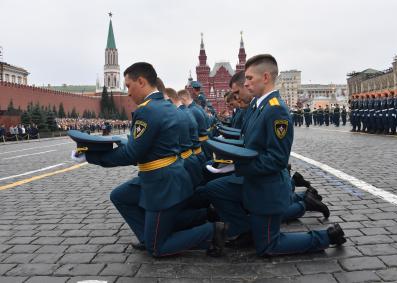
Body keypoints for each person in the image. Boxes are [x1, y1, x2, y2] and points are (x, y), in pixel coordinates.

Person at [71, 62, 226, 257]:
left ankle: (211, 232)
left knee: (158, 248)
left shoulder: (148, 110)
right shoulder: (166, 106)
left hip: (161, 183)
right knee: (120, 196)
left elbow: (132, 154)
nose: (127, 92)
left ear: (142, 81)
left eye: (128, 86)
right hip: (165, 174)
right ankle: (149, 236)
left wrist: (91, 155)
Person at [198, 54, 345, 257]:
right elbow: (249, 144)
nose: (246, 83)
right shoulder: (260, 107)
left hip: (267, 189)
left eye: (249, 78)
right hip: (254, 182)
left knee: (268, 246)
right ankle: (246, 228)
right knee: (216, 189)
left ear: (265, 77)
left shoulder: (275, 110)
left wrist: (236, 167)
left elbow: (276, 160)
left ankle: (327, 236)